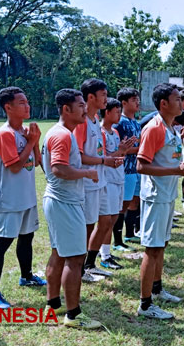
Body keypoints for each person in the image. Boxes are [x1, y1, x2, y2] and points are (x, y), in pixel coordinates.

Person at [136, 83, 184, 319]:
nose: (182, 103)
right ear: (163, 104)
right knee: (152, 248)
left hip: (167, 195)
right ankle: (145, 305)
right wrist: (178, 170)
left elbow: (172, 161)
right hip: (156, 196)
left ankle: (156, 289)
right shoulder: (154, 128)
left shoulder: (171, 128)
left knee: (161, 245)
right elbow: (141, 165)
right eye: (177, 99)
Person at [41, 88, 102, 328]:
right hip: (64, 202)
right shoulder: (62, 135)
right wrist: (87, 173)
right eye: (80, 106)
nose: (85, 109)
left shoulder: (63, 133)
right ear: (66, 109)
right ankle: (73, 315)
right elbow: (59, 169)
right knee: (75, 258)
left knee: (59, 253)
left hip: (60, 201)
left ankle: (53, 303)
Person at [0, 87, 46, 310]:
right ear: (8, 107)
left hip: (27, 196)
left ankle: (27, 276)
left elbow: (38, 162)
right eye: (21, 102)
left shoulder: (24, 131)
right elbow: (13, 167)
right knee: (1, 244)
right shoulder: (5, 134)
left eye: (27, 101)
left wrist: (35, 139)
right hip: (9, 199)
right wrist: (30, 142)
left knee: (26, 238)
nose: (27, 105)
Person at [73, 79, 122, 280]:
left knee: (105, 221)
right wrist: (104, 160)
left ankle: (90, 264)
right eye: (103, 94)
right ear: (90, 97)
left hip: (100, 181)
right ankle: (79, 269)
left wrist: (108, 160)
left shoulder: (94, 122)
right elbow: (79, 156)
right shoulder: (83, 122)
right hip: (88, 183)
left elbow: (99, 152)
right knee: (87, 226)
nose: (106, 99)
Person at [100, 98, 135, 269]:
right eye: (116, 111)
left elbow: (119, 154)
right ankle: (103, 255)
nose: (119, 115)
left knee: (114, 217)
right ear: (107, 112)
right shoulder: (101, 133)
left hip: (118, 178)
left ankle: (105, 251)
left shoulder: (114, 132)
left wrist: (124, 150)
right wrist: (121, 151)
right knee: (106, 220)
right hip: (107, 180)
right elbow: (105, 158)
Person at [115, 88, 142, 249]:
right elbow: (119, 148)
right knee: (122, 205)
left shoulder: (135, 123)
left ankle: (129, 233)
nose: (137, 102)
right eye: (133, 99)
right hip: (124, 169)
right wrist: (140, 149)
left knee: (134, 201)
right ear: (124, 103)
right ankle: (117, 241)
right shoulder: (121, 123)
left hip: (135, 169)